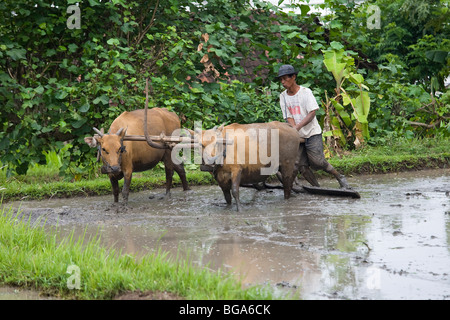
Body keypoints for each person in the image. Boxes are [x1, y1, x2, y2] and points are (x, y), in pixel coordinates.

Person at [276, 64, 351, 189]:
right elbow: (288, 116)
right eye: (281, 80)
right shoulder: (283, 96)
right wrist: (294, 131)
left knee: (317, 161)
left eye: (285, 79)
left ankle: (340, 177)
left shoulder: (306, 93)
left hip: (312, 133)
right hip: (297, 135)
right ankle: (317, 188)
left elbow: (312, 113)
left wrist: (297, 127)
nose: (283, 82)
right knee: (301, 166)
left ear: (293, 77)